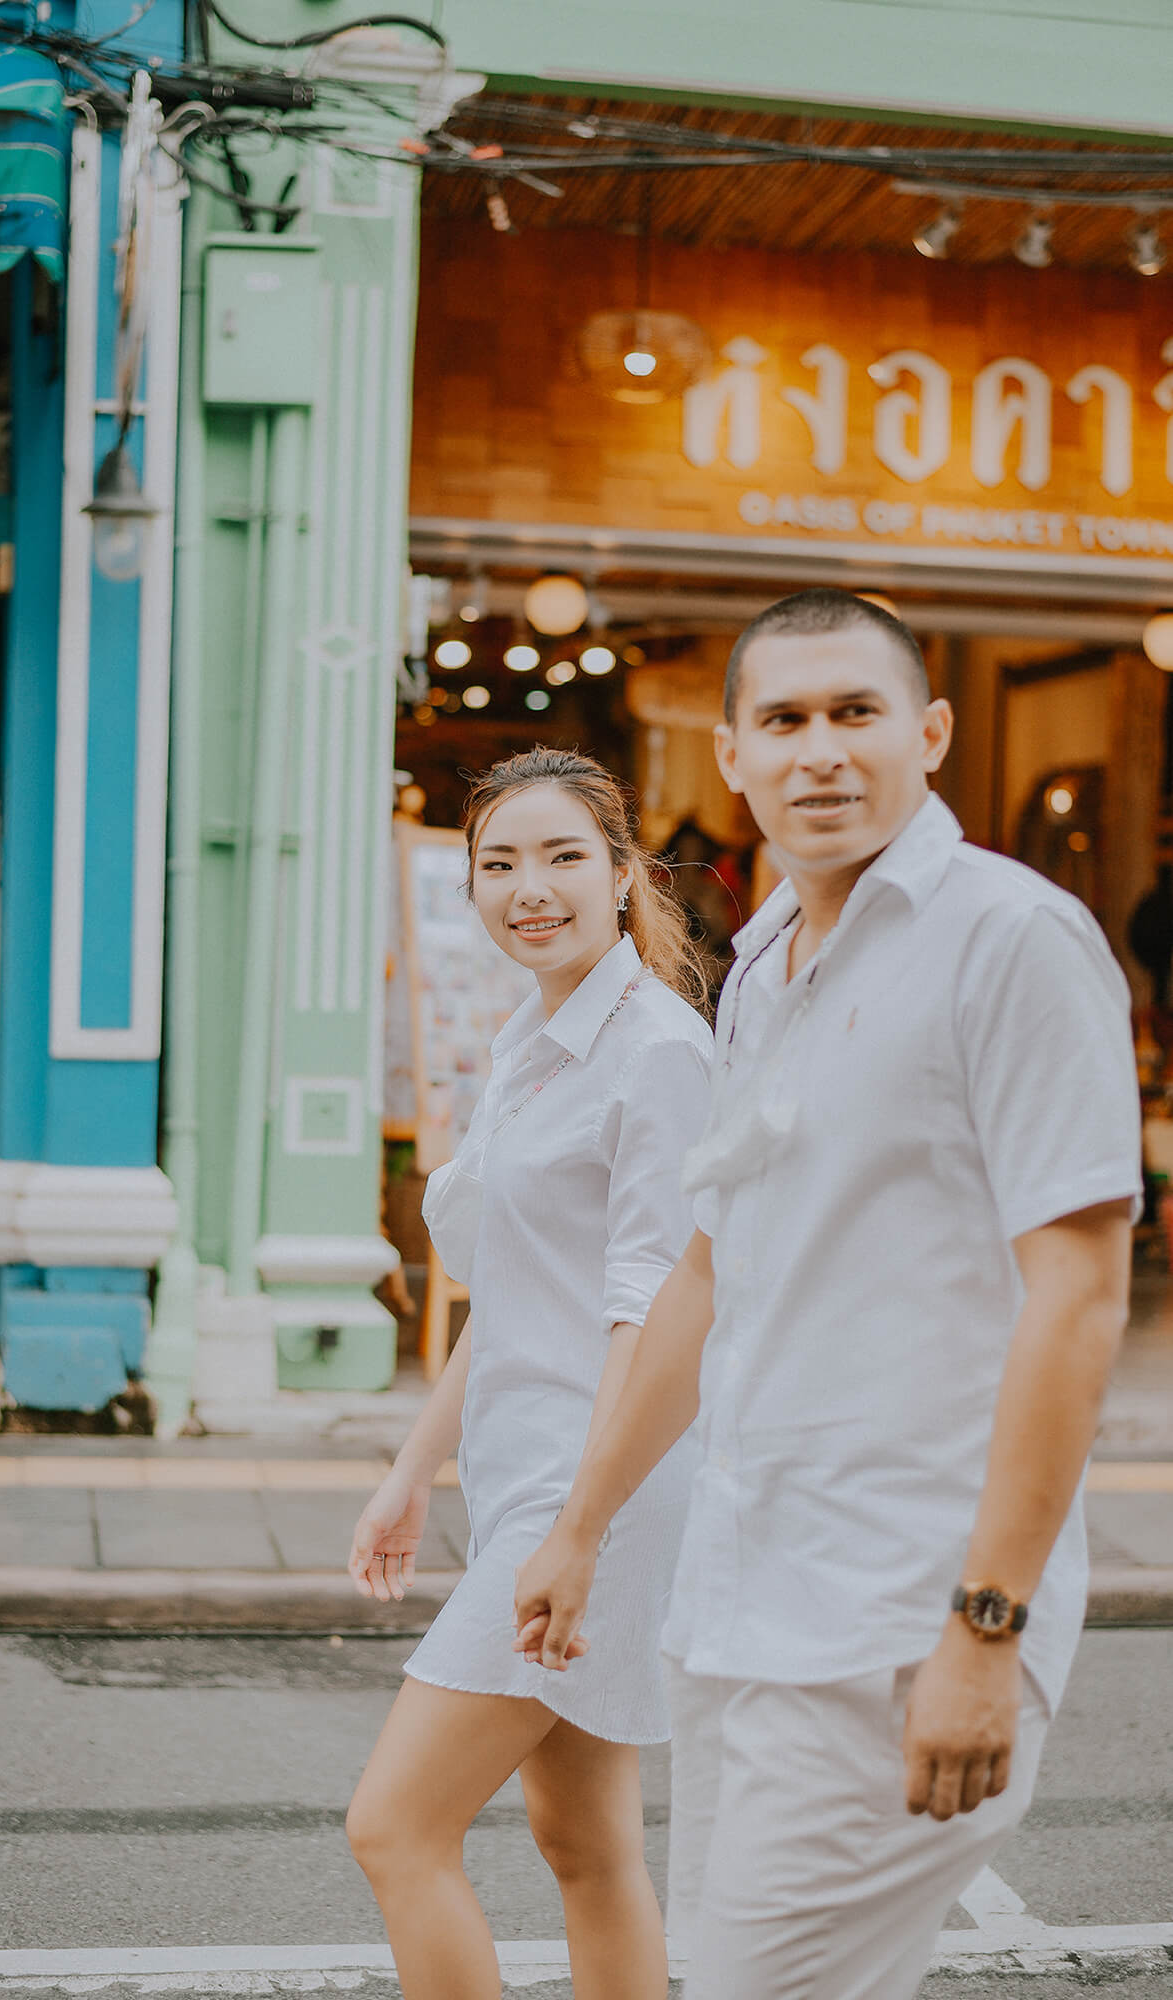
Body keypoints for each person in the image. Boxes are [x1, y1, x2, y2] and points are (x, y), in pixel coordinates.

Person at [514, 590, 1142, 2000]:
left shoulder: (1009, 942)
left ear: (927, 732)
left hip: (900, 1626)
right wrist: (584, 1525)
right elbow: (706, 1273)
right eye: (782, 721)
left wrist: (986, 1630)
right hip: (738, 1615)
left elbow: (1077, 1300)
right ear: (727, 753)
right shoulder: (759, 974)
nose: (820, 753)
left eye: (853, 713)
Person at [346, 747, 713, 2000]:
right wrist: (410, 1467)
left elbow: (650, 1313)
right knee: (586, 1841)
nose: (528, 888)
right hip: (531, 1479)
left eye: (562, 855)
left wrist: (579, 1525)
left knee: (394, 1827)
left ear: (624, 873)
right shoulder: (525, 1041)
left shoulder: (656, 1050)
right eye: (496, 863)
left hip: (593, 1483)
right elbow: (508, 1300)